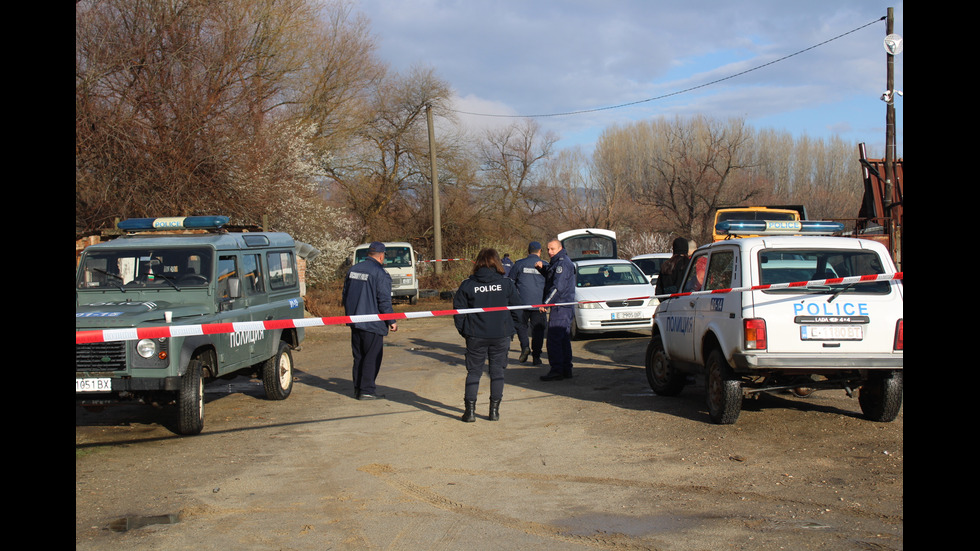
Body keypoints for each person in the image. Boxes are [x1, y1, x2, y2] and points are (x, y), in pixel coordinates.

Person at [453, 248, 522, 422]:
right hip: (500, 335)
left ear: (478, 263)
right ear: (497, 262)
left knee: (474, 372)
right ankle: (494, 412)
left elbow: (458, 311)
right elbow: (517, 310)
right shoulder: (506, 284)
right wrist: (511, 329)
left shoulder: (467, 285)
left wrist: (465, 331)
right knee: (497, 372)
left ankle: (470, 413)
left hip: (476, 336)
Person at [342, 241, 398, 400]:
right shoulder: (380, 273)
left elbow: (345, 295)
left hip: (355, 321)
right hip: (372, 322)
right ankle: (367, 390)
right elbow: (384, 300)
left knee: (358, 356)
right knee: (371, 356)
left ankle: (358, 388)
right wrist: (391, 320)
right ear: (381, 256)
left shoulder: (353, 270)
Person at [537, 239, 576, 381]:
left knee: (554, 339)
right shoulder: (558, 262)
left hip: (560, 306)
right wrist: (543, 268)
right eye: (548, 249)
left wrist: (546, 303)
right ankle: (565, 368)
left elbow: (558, 287)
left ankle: (557, 369)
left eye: (552, 249)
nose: (549, 252)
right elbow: (553, 275)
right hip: (563, 306)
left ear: (559, 248)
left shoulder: (563, 264)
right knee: (563, 339)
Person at [510, 241, 548, 365]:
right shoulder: (545, 265)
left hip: (521, 303)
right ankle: (536, 357)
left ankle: (525, 347)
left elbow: (510, 283)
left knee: (521, 326)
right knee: (538, 330)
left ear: (528, 251)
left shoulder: (519, 264)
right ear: (540, 251)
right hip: (539, 305)